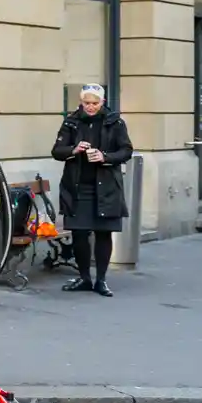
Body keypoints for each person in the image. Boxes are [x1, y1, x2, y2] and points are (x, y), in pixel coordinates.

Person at [50, 82, 132, 296]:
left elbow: (126, 151)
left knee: (103, 233)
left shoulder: (115, 122)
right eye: (87, 103)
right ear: (81, 102)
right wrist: (73, 149)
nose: (90, 107)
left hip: (106, 187)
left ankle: (101, 280)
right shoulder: (71, 122)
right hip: (78, 187)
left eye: (95, 103)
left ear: (102, 102)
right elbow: (57, 151)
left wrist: (105, 157)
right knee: (79, 233)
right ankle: (85, 277)